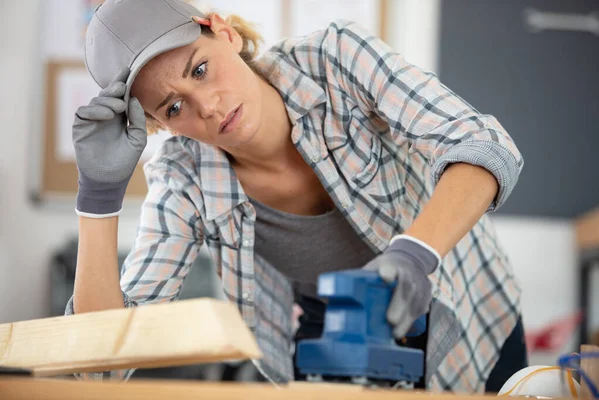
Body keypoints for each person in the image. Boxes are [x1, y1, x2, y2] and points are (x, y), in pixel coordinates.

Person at [67, 0, 527, 393]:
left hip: (469, 313)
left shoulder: (336, 59)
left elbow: (482, 144)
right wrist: (99, 196)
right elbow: (103, 366)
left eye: (200, 70)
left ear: (222, 32)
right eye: (174, 107)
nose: (206, 106)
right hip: (340, 354)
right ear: (160, 126)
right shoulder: (181, 178)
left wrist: (414, 253)